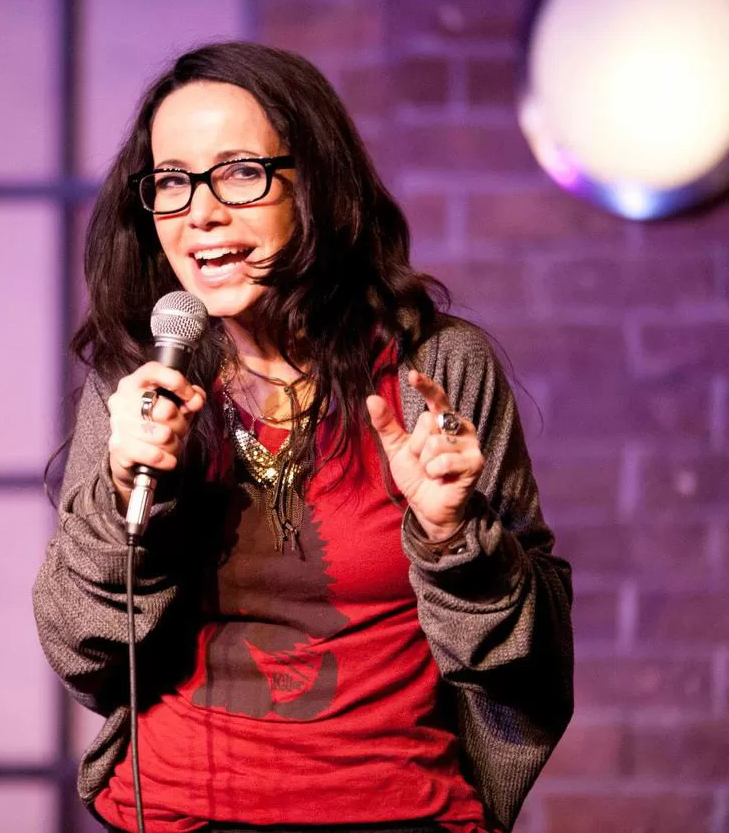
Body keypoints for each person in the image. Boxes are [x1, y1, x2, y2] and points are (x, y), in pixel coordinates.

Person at [31, 41, 573, 833]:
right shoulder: (143, 379)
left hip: (398, 812)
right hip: (172, 812)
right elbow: (83, 650)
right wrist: (122, 501)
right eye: (172, 182)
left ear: (315, 184)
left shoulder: (435, 368)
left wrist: (453, 534)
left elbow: (530, 657)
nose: (202, 212)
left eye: (241, 172)